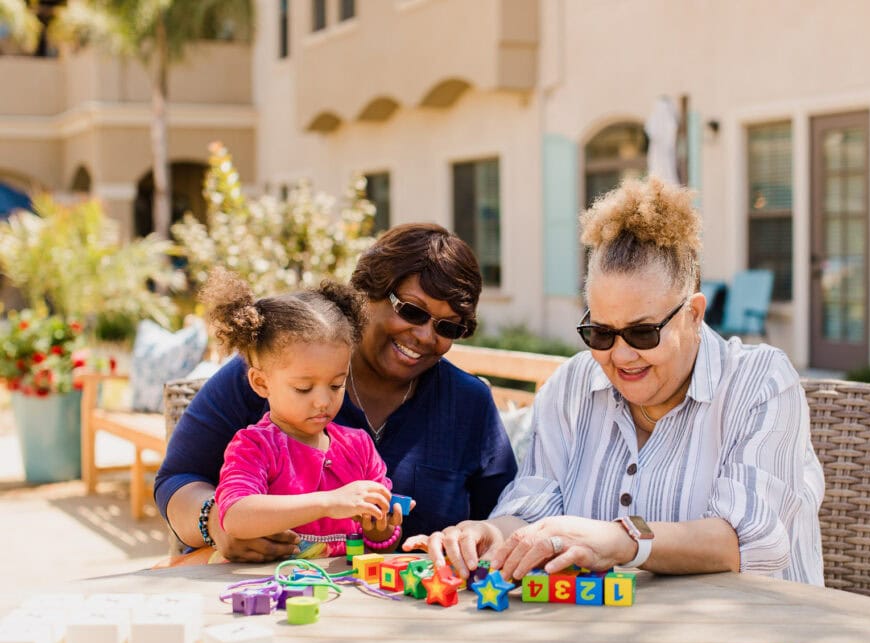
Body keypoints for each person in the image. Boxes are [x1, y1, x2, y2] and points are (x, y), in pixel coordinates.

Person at [406, 177, 825, 586]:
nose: (621, 356)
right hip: (614, 639)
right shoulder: (572, 386)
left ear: (694, 314)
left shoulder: (760, 382)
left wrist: (620, 539)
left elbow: (747, 541)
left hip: (761, 638)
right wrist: (490, 533)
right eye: (601, 333)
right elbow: (533, 508)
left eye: (643, 333)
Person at [155, 224, 517, 562]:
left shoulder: (468, 404)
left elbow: (502, 515)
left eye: (447, 326)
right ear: (367, 294)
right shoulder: (276, 368)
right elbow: (177, 479)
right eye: (411, 310)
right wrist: (216, 523)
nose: (425, 335)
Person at [201, 268, 402, 558]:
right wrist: (327, 503)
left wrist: (380, 529)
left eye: (336, 384)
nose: (323, 401)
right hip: (277, 594)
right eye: (304, 388)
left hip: (346, 596)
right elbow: (234, 516)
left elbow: (380, 544)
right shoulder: (256, 446)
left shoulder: (358, 447)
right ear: (261, 382)